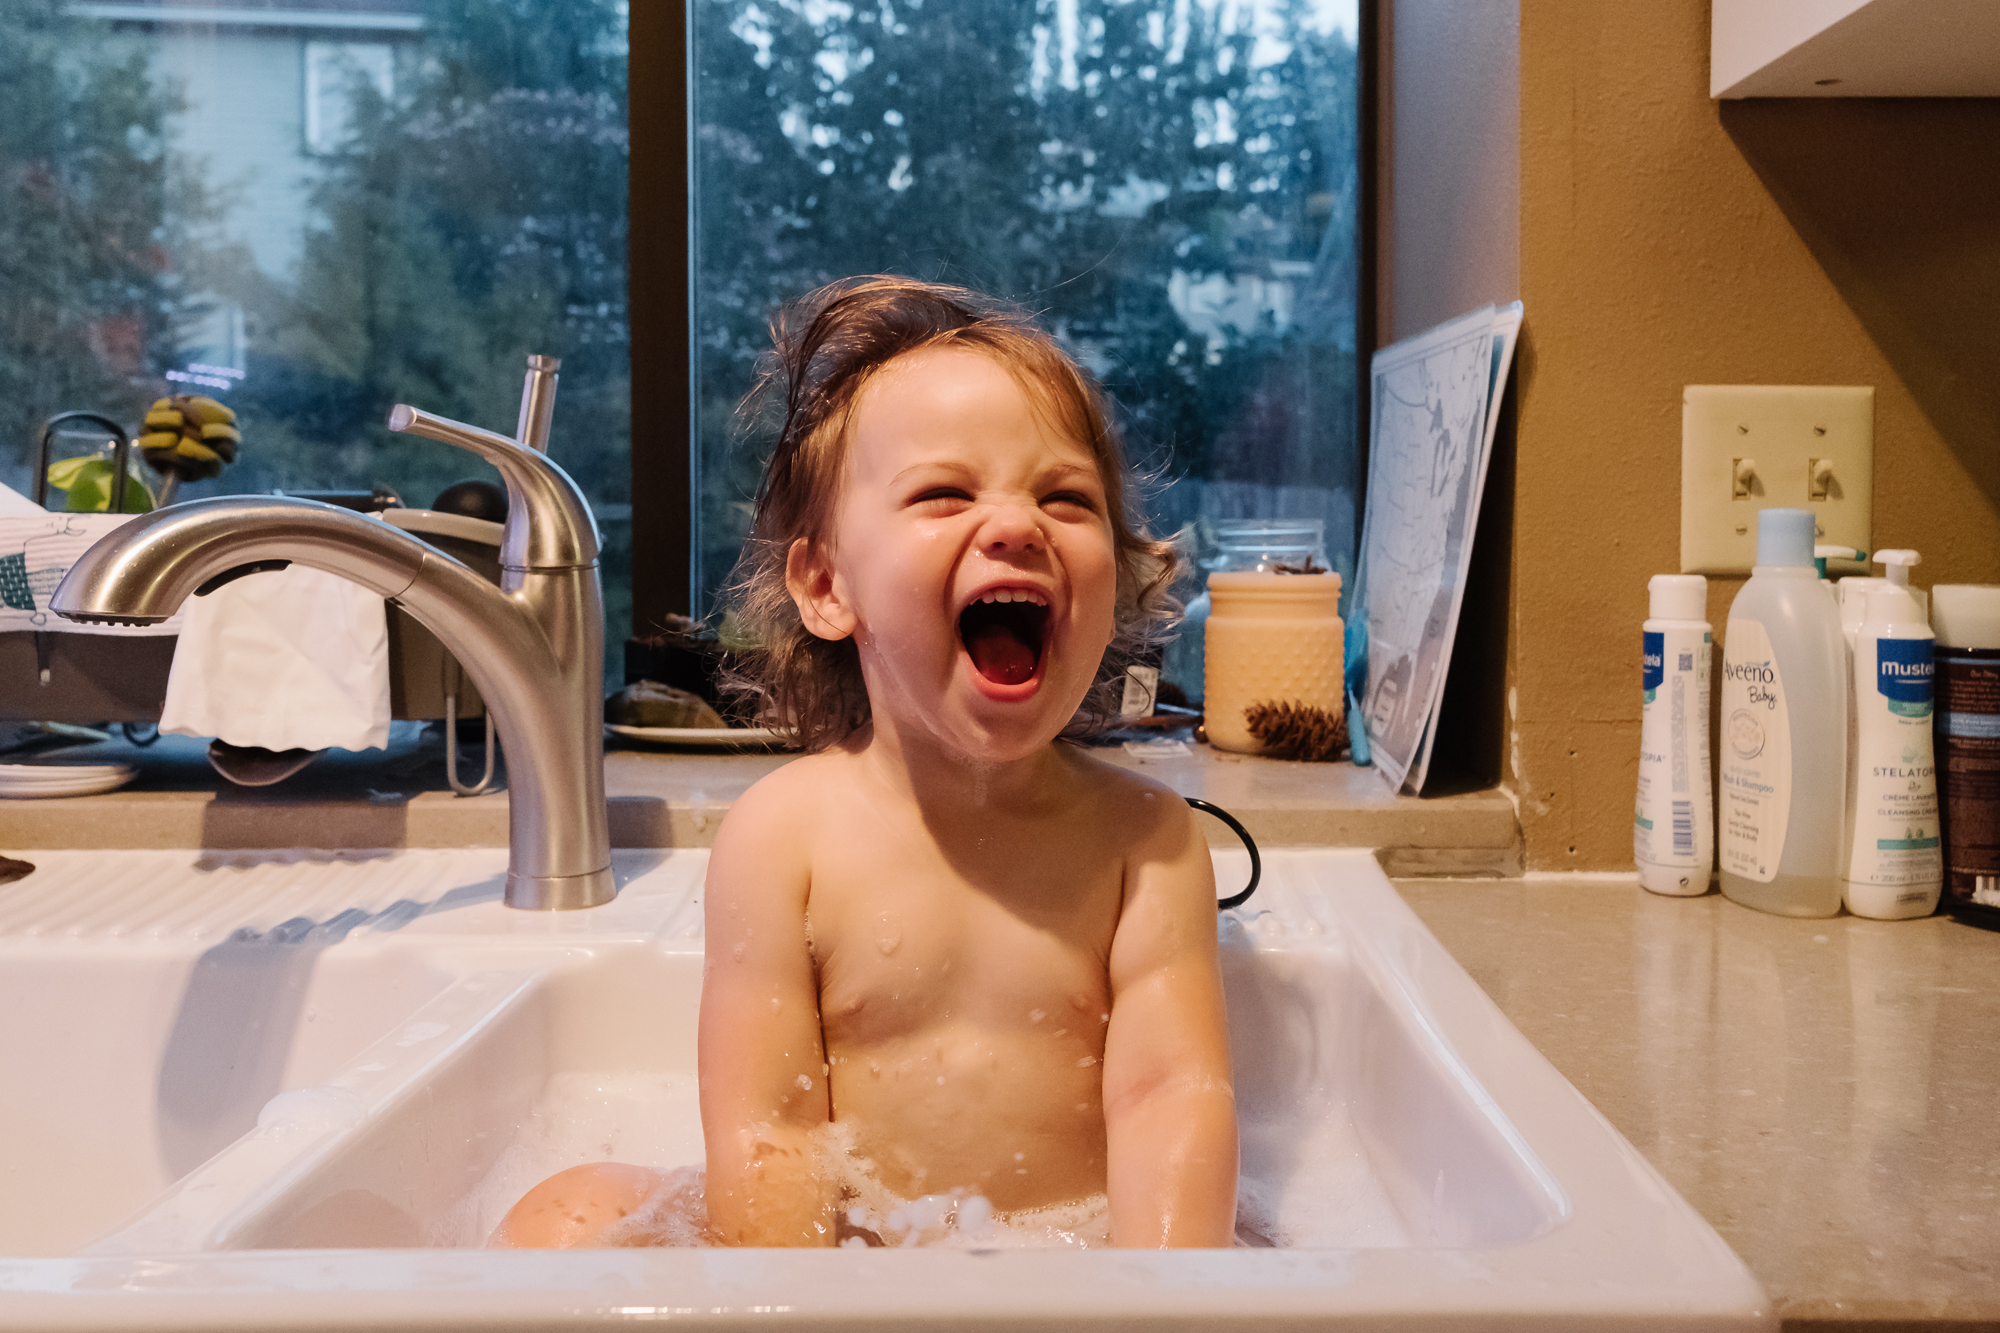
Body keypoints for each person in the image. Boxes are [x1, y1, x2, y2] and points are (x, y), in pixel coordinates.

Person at [493, 277, 1236, 1249]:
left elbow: (1168, 1100)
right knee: (560, 1209)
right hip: (851, 1250)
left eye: (1065, 497)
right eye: (944, 494)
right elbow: (771, 1126)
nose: (1017, 525)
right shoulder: (785, 836)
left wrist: (1162, 1302)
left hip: (1067, 1260)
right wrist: (802, 1305)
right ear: (826, 584)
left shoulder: (1147, 844)